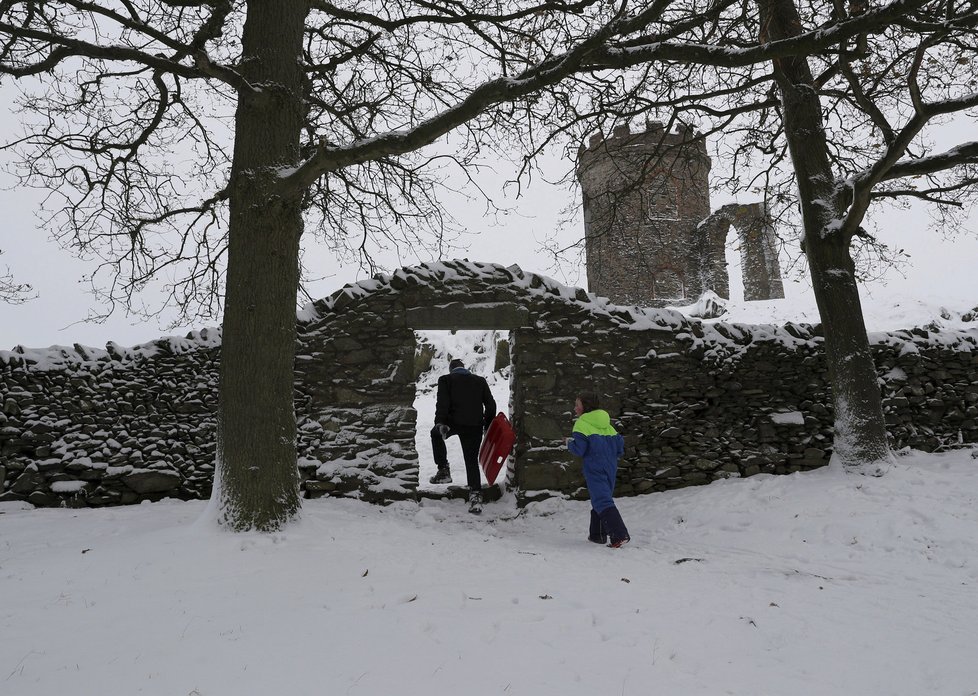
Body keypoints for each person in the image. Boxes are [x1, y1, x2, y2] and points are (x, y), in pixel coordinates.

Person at [429, 358, 496, 514]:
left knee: (435, 433)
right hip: (474, 425)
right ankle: (475, 496)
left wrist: (440, 423)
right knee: (471, 460)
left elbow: (442, 403)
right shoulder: (479, 381)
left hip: (451, 423)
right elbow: (491, 405)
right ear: (464, 368)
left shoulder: (446, 380)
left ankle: (443, 470)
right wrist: (487, 425)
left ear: (451, 369)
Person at [566, 392, 630, 548]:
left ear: (585, 407)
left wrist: (569, 443)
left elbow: (580, 450)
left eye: (577, 405)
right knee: (599, 498)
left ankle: (619, 534)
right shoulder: (607, 424)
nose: (575, 409)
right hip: (610, 466)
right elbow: (619, 446)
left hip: (594, 467)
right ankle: (597, 535)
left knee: (602, 500)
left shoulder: (582, 424)